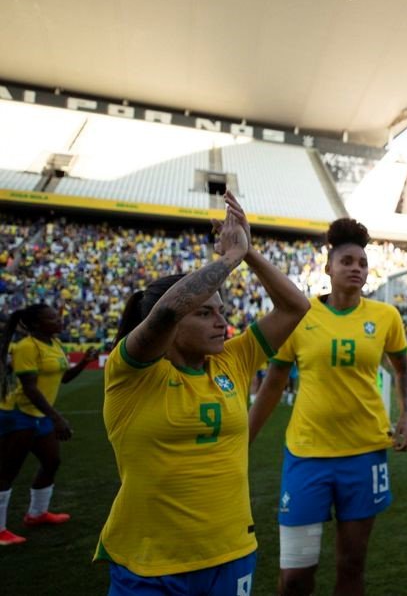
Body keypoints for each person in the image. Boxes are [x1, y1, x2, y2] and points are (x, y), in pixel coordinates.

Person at [94, 192, 309, 593]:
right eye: (205, 313)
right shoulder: (131, 372)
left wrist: (249, 254)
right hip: (148, 561)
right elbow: (168, 310)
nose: (221, 323)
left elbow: (295, 306)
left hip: (230, 552)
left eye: (223, 312)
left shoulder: (232, 360)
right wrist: (227, 259)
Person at [249, 217, 407, 596]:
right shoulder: (300, 315)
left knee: (351, 566)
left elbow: (403, 369)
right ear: (329, 268)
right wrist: (244, 437)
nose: (356, 268)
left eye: (362, 263)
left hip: (366, 453)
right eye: (347, 261)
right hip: (308, 456)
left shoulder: (385, 316)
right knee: (295, 577)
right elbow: (274, 383)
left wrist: (405, 416)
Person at [0, 305, 95, 545]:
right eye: (52, 317)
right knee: (7, 471)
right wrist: (56, 417)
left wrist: (84, 362)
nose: (59, 319)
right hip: (18, 414)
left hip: (40, 416)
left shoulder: (55, 344)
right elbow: (30, 388)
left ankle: (37, 514)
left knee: (51, 462)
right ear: (35, 325)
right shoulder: (26, 347)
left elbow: (63, 378)